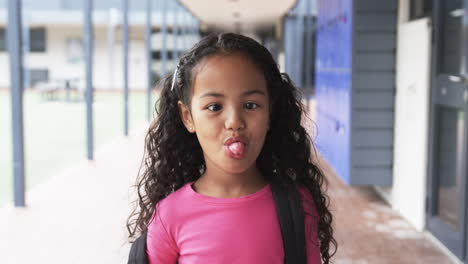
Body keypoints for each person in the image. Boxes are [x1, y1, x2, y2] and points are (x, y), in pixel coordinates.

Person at [127, 33, 337, 264]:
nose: (234, 121)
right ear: (188, 117)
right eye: (214, 107)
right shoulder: (169, 216)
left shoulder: (296, 204)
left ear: (270, 113)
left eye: (250, 105)